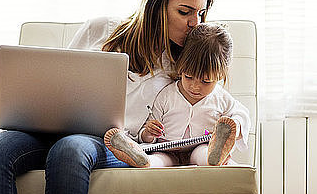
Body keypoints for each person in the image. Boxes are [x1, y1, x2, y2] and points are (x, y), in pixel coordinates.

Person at [0, 0, 214, 194]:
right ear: (156, 7)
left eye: (201, 14)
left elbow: (207, 103)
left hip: (113, 144)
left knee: (70, 149)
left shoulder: (183, 65)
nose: (195, 23)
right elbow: (60, 77)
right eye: (185, 12)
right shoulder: (103, 28)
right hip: (52, 128)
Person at [104, 22, 251, 168]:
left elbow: (241, 114)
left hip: (200, 146)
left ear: (221, 75)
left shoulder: (221, 98)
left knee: (204, 154)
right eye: (188, 76)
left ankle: (214, 156)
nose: (195, 86)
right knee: (158, 160)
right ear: (180, 66)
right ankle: (139, 158)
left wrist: (235, 126)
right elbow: (147, 129)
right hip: (166, 149)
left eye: (206, 81)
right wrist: (148, 133)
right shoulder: (166, 95)